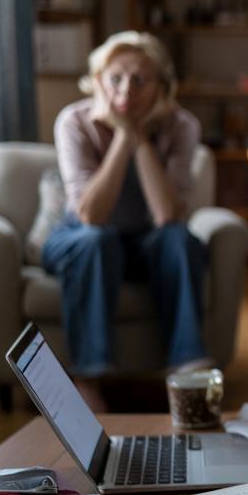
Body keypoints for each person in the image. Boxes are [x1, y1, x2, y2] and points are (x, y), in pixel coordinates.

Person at [44, 31, 209, 409]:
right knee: (96, 241)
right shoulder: (74, 121)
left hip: (146, 240)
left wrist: (139, 137)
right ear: (97, 81)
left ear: (161, 87)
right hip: (81, 238)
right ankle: (88, 376)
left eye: (140, 80)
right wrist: (122, 136)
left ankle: (188, 371)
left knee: (181, 240)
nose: (126, 90)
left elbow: (166, 214)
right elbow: (91, 216)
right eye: (115, 78)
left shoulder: (182, 126)